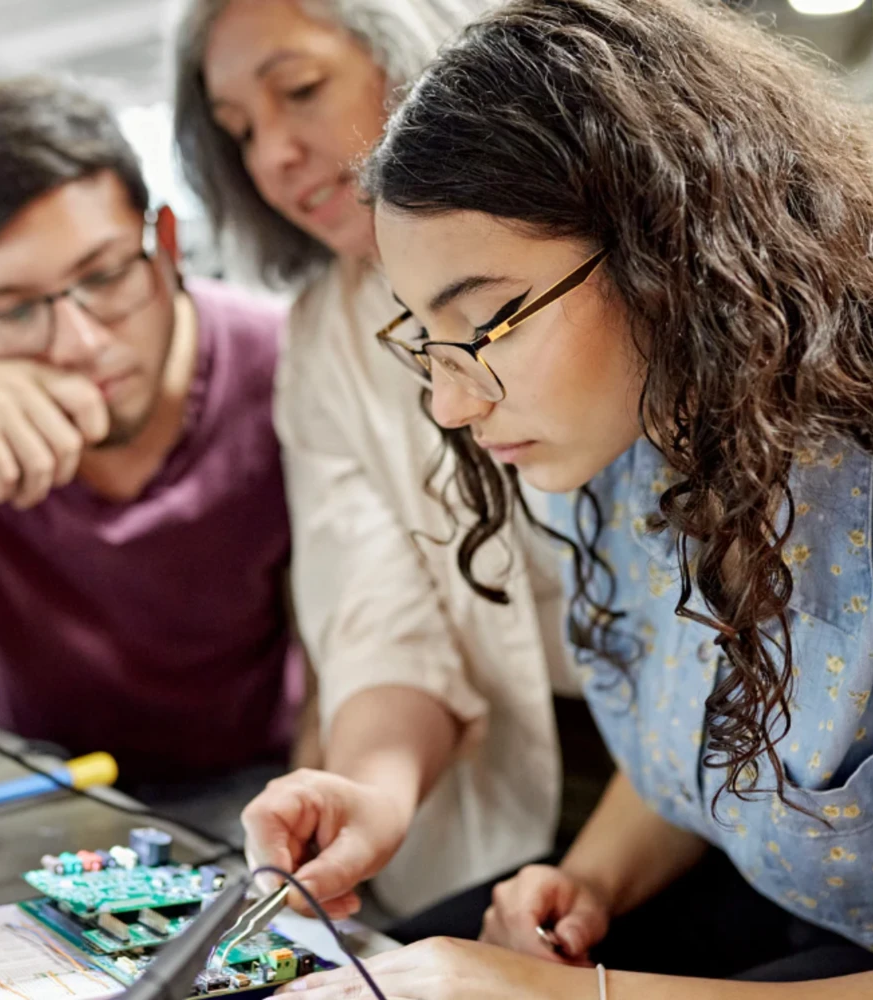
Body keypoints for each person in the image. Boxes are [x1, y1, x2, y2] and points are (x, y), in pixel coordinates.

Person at [273, 0, 873, 994]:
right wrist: (590, 876)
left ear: (674, 245)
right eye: (422, 338)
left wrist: (572, 993)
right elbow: (724, 733)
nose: (450, 402)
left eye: (489, 320)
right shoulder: (641, 443)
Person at [174, 0, 606, 919]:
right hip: (516, 778)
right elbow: (376, 604)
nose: (275, 155)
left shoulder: (603, 257)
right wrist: (371, 790)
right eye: (240, 129)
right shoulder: (327, 336)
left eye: (300, 90)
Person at [0, 77, 301, 826]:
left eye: (104, 276)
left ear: (165, 243)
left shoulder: (284, 363)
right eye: (12, 309)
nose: (79, 345)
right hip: (13, 777)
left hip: (248, 787)